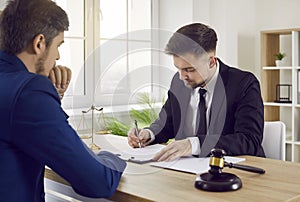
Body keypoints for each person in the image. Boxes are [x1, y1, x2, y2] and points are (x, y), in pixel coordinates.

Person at [0, 0, 126, 201]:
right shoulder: (28, 92)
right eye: (58, 45)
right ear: (39, 43)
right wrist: (113, 157)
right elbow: (98, 182)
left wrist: (53, 97)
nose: (58, 56)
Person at [128, 22, 265, 161]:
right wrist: (148, 134)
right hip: (187, 169)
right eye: (178, 68)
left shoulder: (244, 84)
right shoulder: (179, 82)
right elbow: (167, 122)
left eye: (189, 69)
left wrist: (193, 145)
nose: (182, 76)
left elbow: (249, 140)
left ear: (211, 62)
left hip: (235, 171)